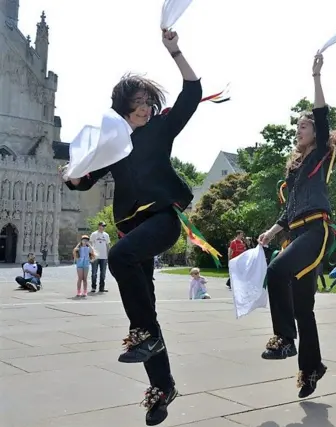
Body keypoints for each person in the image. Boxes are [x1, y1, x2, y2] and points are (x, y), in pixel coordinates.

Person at [62, 30, 200, 426]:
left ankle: (145, 334)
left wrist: (175, 50)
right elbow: (86, 179)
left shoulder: (161, 129)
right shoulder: (114, 141)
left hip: (162, 220)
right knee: (146, 313)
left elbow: (192, 91)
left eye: (146, 103)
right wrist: (71, 177)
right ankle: (163, 386)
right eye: (136, 104)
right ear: (123, 107)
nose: (143, 109)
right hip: (130, 229)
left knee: (121, 261)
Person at [257, 53, 336, 399]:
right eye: (297, 126)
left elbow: (322, 116)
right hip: (296, 232)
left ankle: (284, 338)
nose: (298, 130)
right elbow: (288, 213)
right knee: (303, 308)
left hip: (317, 230)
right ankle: (311, 368)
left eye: (304, 125)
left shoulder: (319, 156)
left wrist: (316, 77)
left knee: (277, 270)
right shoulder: (295, 170)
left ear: (316, 133)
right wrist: (272, 231)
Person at [90, 221, 111, 292]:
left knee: (103, 273)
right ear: (99, 226)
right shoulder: (94, 234)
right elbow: (90, 244)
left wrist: (109, 255)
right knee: (94, 273)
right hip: (95, 257)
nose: (103, 227)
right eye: (102, 226)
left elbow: (108, 245)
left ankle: (102, 288)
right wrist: (91, 254)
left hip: (104, 257)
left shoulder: (106, 235)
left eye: (104, 226)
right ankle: (93, 287)